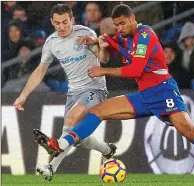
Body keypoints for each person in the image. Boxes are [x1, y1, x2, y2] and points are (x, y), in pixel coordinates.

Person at [34, 4, 194, 181]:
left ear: (133, 18)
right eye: (116, 24)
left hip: (164, 93)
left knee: (190, 133)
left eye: (123, 23)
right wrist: (94, 40)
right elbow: (110, 39)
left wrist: (103, 70)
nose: (120, 28)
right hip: (144, 96)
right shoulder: (123, 36)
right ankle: (58, 145)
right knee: (97, 111)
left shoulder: (145, 34)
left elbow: (136, 69)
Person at [13, 4, 117, 181]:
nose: (62, 27)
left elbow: (104, 59)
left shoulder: (85, 33)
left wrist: (101, 45)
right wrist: (23, 96)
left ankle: (51, 166)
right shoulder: (52, 43)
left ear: (72, 20)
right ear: (52, 22)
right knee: (76, 137)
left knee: (71, 120)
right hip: (73, 93)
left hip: (95, 89)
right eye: (57, 23)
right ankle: (107, 150)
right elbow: (40, 71)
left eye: (65, 22)